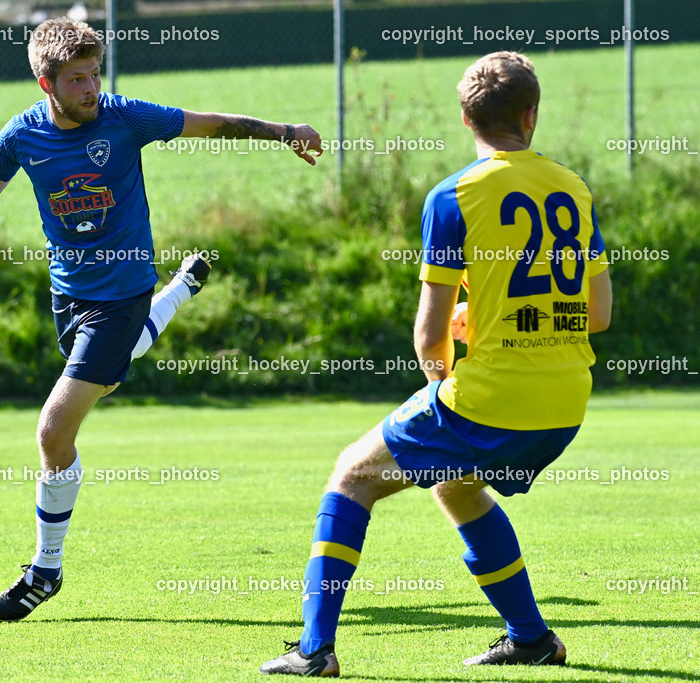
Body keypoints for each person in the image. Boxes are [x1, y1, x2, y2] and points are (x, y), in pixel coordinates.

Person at [0, 17, 323, 623]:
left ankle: (45, 571)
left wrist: (285, 130)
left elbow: (209, 124)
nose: (91, 88)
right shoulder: (24, 133)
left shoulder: (124, 117)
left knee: (54, 429)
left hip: (122, 294)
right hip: (69, 298)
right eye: (77, 79)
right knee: (116, 368)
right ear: (45, 83)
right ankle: (183, 290)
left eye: (95, 74)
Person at [260, 51, 612, 676]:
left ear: (466, 119)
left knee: (352, 477)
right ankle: (531, 639)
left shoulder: (453, 197)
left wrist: (444, 373)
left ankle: (314, 651)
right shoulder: (574, 188)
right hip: (567, 403)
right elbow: (599, 313)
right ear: (531, 115)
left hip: (491, 398)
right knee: (455, 484)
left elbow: (428, 336)